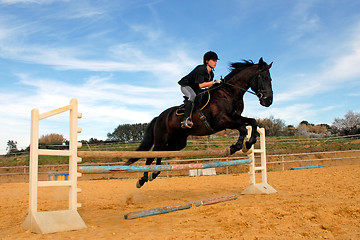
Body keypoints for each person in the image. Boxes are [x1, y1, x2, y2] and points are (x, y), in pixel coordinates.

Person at [178, 51, 222, 129]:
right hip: (186, 85)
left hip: (195, 88)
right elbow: (201, 85)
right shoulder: (201, 69)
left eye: (216, 61)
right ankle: (185, 119)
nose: (215, 62)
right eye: (213, 60)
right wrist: (214, 82)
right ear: (207, 61)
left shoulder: (211, 74)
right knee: (192, 95)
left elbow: (208, 87)